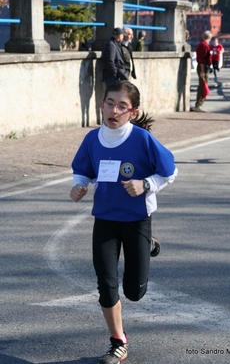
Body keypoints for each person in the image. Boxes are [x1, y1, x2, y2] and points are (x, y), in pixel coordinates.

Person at [70, 80, 178, 364]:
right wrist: (79, 185)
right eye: (109, 103)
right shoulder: (93, 139)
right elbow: (83, 169)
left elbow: (170, 171)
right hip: (104, 220)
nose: (113, 110)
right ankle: (118, 341)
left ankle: (148, 242)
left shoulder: (142, 139)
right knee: (106, 285)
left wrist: (146, 184)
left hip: (136, 220)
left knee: (134, 292)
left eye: (121, 106)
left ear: (133, 111)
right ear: (102, 104)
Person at [193, 30, 212, 112]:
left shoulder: (201, 44)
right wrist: (202, 71)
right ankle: (198, 104)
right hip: (203, 67)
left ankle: (198, 104)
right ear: (209, 37)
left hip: (202, 67)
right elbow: (202, 60)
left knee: (202, 85)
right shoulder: (204, 45)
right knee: (203, 86)